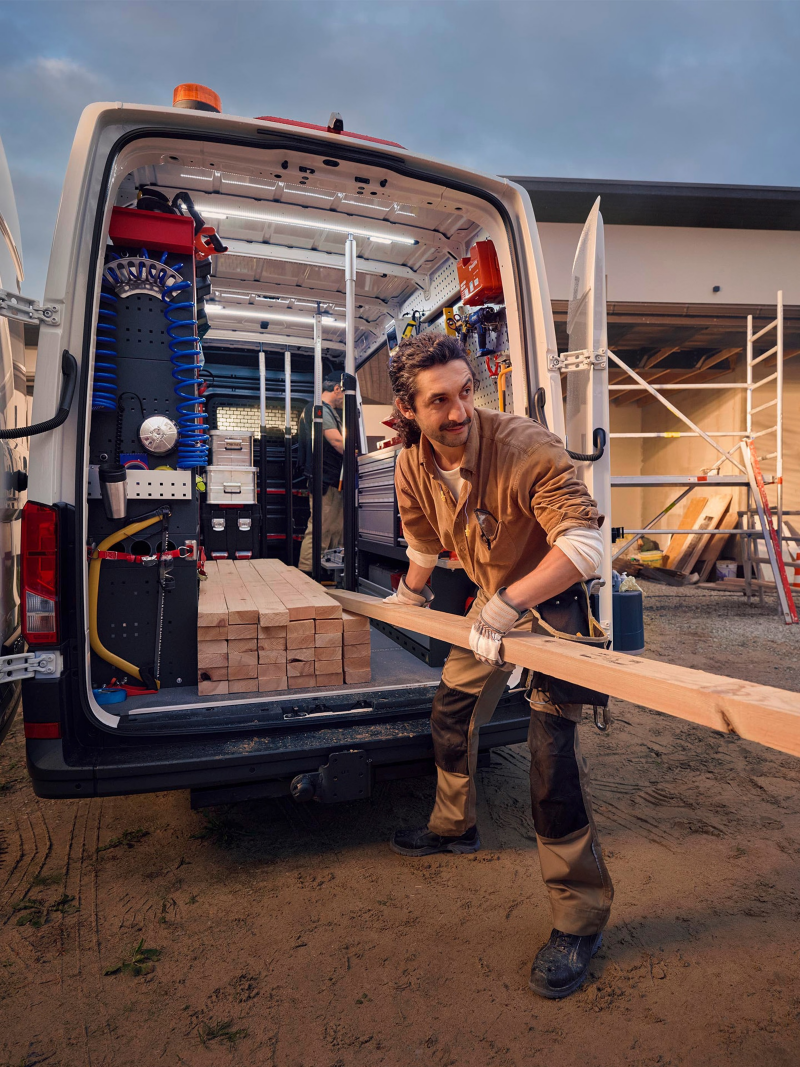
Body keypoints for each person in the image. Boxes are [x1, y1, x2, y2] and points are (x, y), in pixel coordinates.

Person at [385, 331, 613, 1000]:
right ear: (408, 409)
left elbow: (584, 547)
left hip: (549, 603)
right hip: (490, 607)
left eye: (465, 393)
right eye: (439, 401)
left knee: (550, 766)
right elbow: (424, 540)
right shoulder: (411, 464)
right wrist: (406, 598)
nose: (458, 411)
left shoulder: (525, 445)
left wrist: (510, 603)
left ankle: (578, 919)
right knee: (450, 712)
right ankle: (454, 826)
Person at [297, 378, 344, 575]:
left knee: (334, 529)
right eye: (344, 394)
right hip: (324, 478)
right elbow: (335, 440)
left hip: (329, 479)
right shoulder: (320, 409)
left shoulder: (323, 410)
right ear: (337, 389)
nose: (344, 399)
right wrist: (358, 455)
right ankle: (307, 574)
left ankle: (326, 572)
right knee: (321, 528)